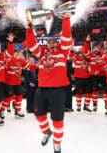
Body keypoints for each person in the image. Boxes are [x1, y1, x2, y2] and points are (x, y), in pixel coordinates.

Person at [26, 12, 72, 153]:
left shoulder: (63, 52)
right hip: (42, 90)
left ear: (57, 42)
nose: (51, 43)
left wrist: (66, 19)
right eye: (49, 41)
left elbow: (66, 37)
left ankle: (57, 143)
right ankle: (47, 132)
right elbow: (31, 44)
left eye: (53, 41)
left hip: (58, 91)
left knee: (57, 120)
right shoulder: (42, 53)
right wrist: (29, 28)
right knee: (38, 114)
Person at [1, 47, 29, 119]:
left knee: (19, 96)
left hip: (17, 83)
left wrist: (36, 65)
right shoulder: (9, 60)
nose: (18, 54)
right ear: (13, 53)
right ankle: (2, 110)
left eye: (19, 52)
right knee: (8, 98)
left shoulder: (21, 60)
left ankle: (18, 111)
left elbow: (28, 66)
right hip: (8, 83)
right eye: (16, 52)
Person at [70, 48, 91, 112]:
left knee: (88, 93)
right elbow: (71, 55)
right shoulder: (76, 58)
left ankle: (86, 106)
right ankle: (78, 106)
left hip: (87, 78)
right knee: (79, 92)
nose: (81, 54)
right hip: (79, 78)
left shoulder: (87, 59)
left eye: (82, 53)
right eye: (80, 53)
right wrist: (72, 50)